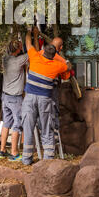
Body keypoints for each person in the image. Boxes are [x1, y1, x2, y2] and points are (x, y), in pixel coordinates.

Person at [21, 27, 72, 165]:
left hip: (30, 98)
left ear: (43, 53)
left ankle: (26, 159)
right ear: (58, 49)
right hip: (45, 99)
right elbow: (68, 68)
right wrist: (64, 60)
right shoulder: (57, 64)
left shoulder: (36, 57)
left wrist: (30, 33)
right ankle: (48, 160)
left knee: (28, 127)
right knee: (47, 128)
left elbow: (28, 44)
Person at [0, 39, 29, 161]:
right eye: (20, 47)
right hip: (15, 98)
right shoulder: (18, 61)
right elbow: (32, 53)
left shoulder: (5, 59)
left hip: (5, 96)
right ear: (17, 49)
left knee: (6, 123)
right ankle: (14, 153)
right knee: (17, 124)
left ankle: (2, 150)